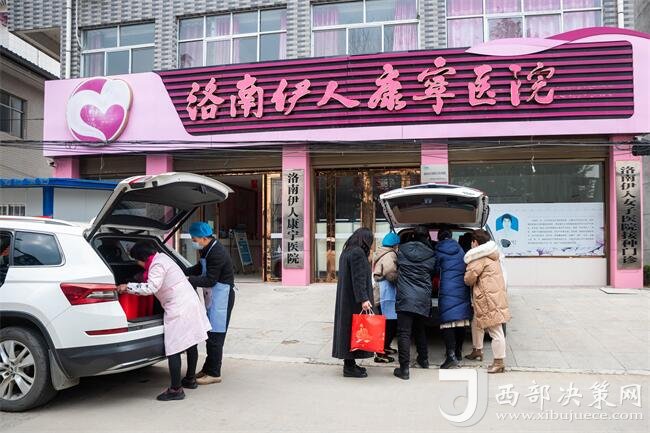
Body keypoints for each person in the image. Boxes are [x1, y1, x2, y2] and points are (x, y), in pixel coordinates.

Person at [118, 241, 211, 401]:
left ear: (142, 258)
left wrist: (127, 287)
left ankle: (176, 390)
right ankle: (190, 379)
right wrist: (137, 280)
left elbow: (151, 288)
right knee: (191, 342)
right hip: (190, 302)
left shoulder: (157, 265)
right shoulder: (162, 258)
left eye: (137, 260)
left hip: (179, 307)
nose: (138, 264)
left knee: (173, 348)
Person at [185, 222, 235, 385]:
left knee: (215, 336)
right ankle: (208, 368)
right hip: (213, 296)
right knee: (210, 335)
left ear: (204, 238)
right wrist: (181, 271)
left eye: (194, 239)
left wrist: (188, 280)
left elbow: (210, 280)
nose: (194, 242)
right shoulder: (208, 249)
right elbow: (200, 268)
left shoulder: (217, 253)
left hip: (222, 298)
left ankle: (214, 373)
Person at [463, 229, 511, 374]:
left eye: (472, 242)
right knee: (477, 323)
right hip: (492, 295)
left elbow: (469, 279)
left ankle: (499, 362)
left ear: (475, 242)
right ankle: (477, 350)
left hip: (488, 298)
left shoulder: (479, 257)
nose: (471, 244)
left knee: (495, 330)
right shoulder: (492, 254)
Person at [393, 226, 436, 380]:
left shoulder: (401, 250)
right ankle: (423, 360)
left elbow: (395, 268)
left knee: (404, 333)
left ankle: (404, 369)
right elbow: (433, 272)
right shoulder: (431, 254)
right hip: (422, 297)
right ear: (427, 237)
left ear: (412, 236)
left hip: (405, 296)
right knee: (420, 329)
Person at [332, 227, 375, 378]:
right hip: (354, 301)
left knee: (349, 332)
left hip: (347, 299)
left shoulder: (347, 251)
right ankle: (349, 368)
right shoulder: (357, 253)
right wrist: (364, 299)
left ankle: (350, 364)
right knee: (354, 332)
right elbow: (358, 278)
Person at [435, 228, 472, 369]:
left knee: (447, 321)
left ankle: (450, 355)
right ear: (451, 237)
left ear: (439, 238)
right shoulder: (461, 250)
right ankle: (458, 352)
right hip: (461, 287)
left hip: (446, 288)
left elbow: (435, 269)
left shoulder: (438, 250)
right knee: (460, 320)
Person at [372, 231, 400, 363]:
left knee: (386, 322)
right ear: (395, 245)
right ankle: (380, 353)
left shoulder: (380, 251)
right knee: (387, 323)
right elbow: (390, 274)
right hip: (385, 292)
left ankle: (385, 347)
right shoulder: (390, 254)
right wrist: (400, 280)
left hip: (380, 291)